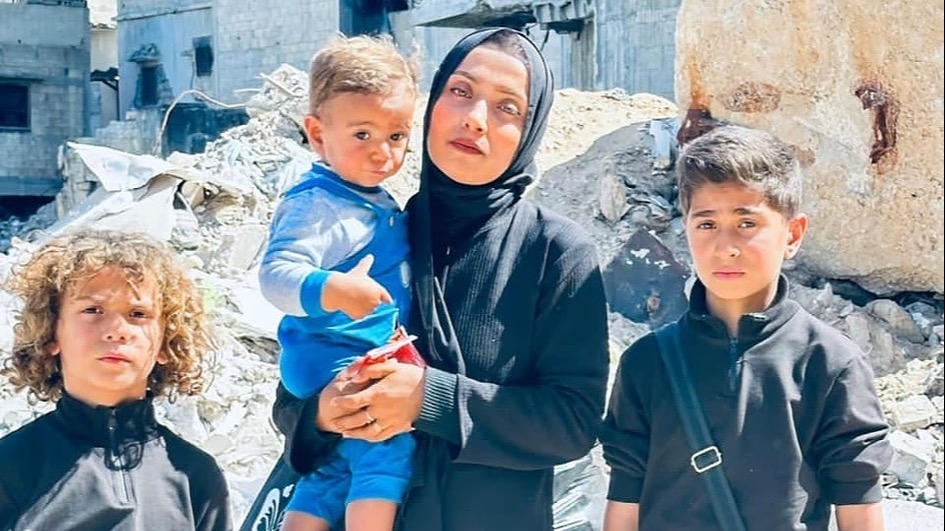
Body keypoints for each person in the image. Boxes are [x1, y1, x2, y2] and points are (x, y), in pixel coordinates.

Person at [270, 27, 610, 531]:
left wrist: (428, 399)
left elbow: (573, 421)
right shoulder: (375, 232)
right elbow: (292, 394)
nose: (475, 119)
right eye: (461, 91)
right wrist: (326, 411)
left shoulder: (554, 252)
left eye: (507, 107)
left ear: (530, 132)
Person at [600, 125, 892, 531]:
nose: (725, 247)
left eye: (746, 223)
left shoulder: (830, 365)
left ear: (792, 235)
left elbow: (858, 508)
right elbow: (624, 504)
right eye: (706, 225)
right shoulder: (647, 364)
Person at [257, 34, 421, 531]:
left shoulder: (365, 196)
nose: (382, 153)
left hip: (337, 358)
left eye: (396, 136)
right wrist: (334, 289)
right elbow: (275, 275)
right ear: (316, 133)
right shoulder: (317, 204)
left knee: (331, 470)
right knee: (386, 446)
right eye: (362, 134)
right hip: (335, 355)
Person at [0, 229, 231, 531]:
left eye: (138, 314)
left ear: (166, 342)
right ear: (51, 333)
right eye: (93, 310)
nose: (116, 331)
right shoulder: (10, 468)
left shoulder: (195, 477)